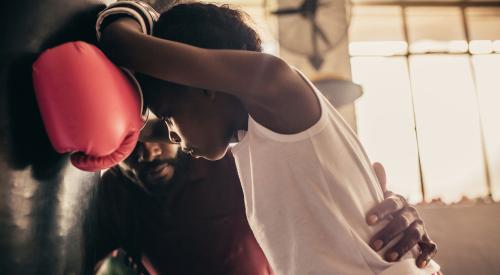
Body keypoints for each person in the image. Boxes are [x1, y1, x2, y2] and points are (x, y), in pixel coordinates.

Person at [97, 2, 441, 274]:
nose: (170, 134)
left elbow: (121, 43)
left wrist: (135, 12)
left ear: (203, 85)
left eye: (169, 116)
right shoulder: (255, 140)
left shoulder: (275, 85)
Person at [84, 119, 436, 275]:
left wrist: (387, 208)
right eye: (131, 143)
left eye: (157, 133)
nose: (149, 152)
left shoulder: (233, 163)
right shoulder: (115, 192)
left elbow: (330, 198)